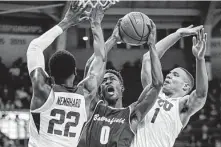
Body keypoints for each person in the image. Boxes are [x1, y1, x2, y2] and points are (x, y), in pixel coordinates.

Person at [78, 8, 164, 146]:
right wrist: (113, 39)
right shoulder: (93, 107)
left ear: (122, 87)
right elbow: (91, 65)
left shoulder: (132, 114)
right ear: (100, 91)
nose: (107, 81)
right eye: (104, 81)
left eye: (112, 79)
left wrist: (152, 46)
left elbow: (157, 84)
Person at [27, 1, 107, 147]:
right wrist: (96, 24)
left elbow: (35, 47)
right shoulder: (86, 95)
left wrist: (66, 22)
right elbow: (101, 58)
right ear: (75, 72)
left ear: (50, 75)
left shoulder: (42, 91)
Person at [130, 27, 208, 147]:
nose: (169, 76)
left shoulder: (182, 105)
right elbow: (147, 59)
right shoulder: (152, 93)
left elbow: (201, 94)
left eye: (175, 75)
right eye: (169, 73)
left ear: (185, 86)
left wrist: (200, 59)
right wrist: (178, 34)